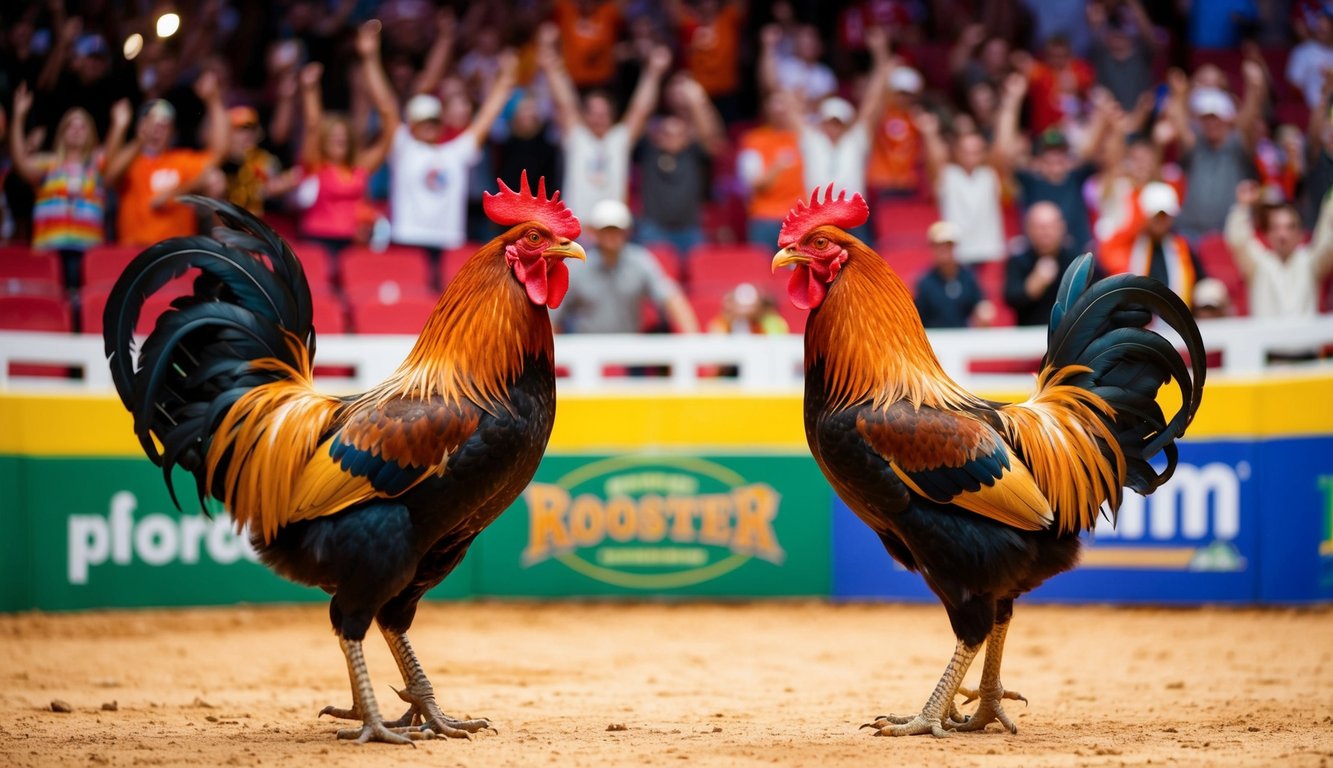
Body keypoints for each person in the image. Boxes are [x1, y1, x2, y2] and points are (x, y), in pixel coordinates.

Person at [387, 53, 517, 284]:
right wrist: (368, 59)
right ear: (412, 125)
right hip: (407, 235)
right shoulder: (403, 147)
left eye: (433, 121)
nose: (429, 127)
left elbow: (486, 118)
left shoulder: (456, 152)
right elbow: (385, 107)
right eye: (422, 122)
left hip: (446, 240)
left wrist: (505, 81)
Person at [540, 25, 671, 223]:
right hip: (575, 231)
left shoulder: (619, 139)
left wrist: (653, 73)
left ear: (612, 116)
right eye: (593, 113)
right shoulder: (577, 137)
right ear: (584, 116)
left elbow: (640, 110)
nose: (598, 118)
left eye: (603, 113)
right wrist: (552, 68)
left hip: (612, 230)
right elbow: (565, 104)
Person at [8, 84, 130, 291]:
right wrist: (19, 116)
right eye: (71, 126)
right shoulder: (49, 164)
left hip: (86, 252)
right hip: (49, 250)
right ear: (62, 132)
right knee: (50, 300)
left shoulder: (96, 165)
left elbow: (111, 156)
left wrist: (119, 125)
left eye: (82, 126)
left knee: (80, 302)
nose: (76, 130)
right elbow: (21, 164)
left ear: (91, 133)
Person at [295, 21, 399, 256]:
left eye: (343, 136)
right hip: (316, 241)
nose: (338, 139)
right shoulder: (316, 164)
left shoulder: (359, 167)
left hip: (353, 245)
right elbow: (312, 125)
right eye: (333, 136)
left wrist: (370, 58)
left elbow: (390, 121)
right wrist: (310, 90)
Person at [994, 72, 1112, 253]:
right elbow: (1004, 153)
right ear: (1039, 160)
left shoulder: (1076, 176)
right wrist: (1012, 101)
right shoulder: (1031, 181)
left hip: (1077, 257)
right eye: (1049, 155)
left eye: (1060, 155)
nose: (1055, 161)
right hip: (1039, 255)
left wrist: (1101, 112)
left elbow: (1089, 151)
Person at [110, 71, 228, 246]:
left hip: (177, 254)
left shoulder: (179, 160)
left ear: (172, 133)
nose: (157, 129)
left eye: (164, 125)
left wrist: (213, 100)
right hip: (135, 253)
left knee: (217, 179)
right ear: (140, 126)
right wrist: (138, 139)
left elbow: (219, 154)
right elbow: (109, 177)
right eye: (151, 122)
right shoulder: (131, 161)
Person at [553, 200, 699, 334]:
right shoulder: (577, 267)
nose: (611, 235)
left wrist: (692, 340)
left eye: (616, 230)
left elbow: (670, 298)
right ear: (595, 233)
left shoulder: (641, 261)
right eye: (606, 230)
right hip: (586, 355)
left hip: (629, 353)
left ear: (626, 232)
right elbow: (553, 315)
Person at [1156, 63, 1267, 240]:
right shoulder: (1196, 144)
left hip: (1228, 234)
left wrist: (1254, 89)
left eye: (1216, 118)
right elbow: (1180, 123)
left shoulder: (1238, 145)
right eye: (1206, 119)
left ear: (1227, 119)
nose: (1211, 124)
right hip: (1189, 232)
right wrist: (1179, 93)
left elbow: (1248, 122)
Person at [635, 73, 724, 258]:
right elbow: (640, 112)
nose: (671, 137)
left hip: (690, 230)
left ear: (688, 136)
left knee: (702, 273)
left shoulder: (694, 152)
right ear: (657, 135)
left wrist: (696, 99)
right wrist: (653, 73)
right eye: (666, 133)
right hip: (653, 230)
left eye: (678, 133)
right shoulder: (650, 151)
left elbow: (710, 135)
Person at [1226, 180, 1333, 318]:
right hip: (1266, 339)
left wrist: (1330, 204)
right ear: (1267, 234)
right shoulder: (1258, 264)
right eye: (1276, 228)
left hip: (1305, 339)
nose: (1282, 235)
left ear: (1300, 234)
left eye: (1290, 227)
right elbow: (1239, 241)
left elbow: (1328, 244)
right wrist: (1243, 206)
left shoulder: (1310, 263)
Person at [916, 109, 1006, 266]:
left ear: (984, 153)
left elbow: (1003, 150)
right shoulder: (948, 175)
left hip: (989, 251)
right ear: (956, 152)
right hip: (957, 254)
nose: (970, 156)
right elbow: (935, 161)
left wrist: (1010, 106)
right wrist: (930, 134)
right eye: (966, 151)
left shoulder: (990, 174)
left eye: (976, 152)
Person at [1100, 181, 1205, 307]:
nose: (1161, 221)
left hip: (1176, 318)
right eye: (1156, 215)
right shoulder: (1128, 246)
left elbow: (1199, 280)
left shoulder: (1182, 248)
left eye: (1165, 215)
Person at [738, 90, 805, 247]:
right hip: (764, 218)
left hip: (799, 219)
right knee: (762, 269)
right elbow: (754, 183)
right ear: (766, 107)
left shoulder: (805, 138)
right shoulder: (753, 140)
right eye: (776, 103)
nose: (781, 109)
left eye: (786, 103)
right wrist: (777, 166)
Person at [1004, 202, 1083, 326]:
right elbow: (1010, 299)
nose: (1045, 234)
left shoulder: (1077, 260)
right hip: (1029, 334)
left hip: (1069, 334)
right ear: (1028, 229)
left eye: (1050, 227)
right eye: (1039, 227)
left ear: (1061, 227)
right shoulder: (1018, 261)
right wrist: (1033, 286)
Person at [914, 221, 994, 329]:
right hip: (934, 339)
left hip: (964, 338)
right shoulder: (924, 282)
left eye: (948, 245)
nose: (944, 250)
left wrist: (983, 312)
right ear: (932, 248)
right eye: (939, 245)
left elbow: (980, 303)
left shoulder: (968, 277)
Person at [221, 106, 296, 217]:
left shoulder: (265, 160)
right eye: (239, 129)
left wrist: (277, 186)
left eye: (251, 128)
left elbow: (275, 185)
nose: (246, 134)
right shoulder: (220, 160)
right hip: (226, 223)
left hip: (257, 224)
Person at [1287, 8, 1333, 110]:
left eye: (1327, 26)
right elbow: (1295, 86)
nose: (1323, 29)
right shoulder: (1303, 51)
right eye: (1320, 27)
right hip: (1315, 109)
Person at [707, 282, 788, 335]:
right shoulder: (722, 322)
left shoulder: (771, 321)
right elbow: (717, 343)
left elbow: (777, 342)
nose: (745, 311)